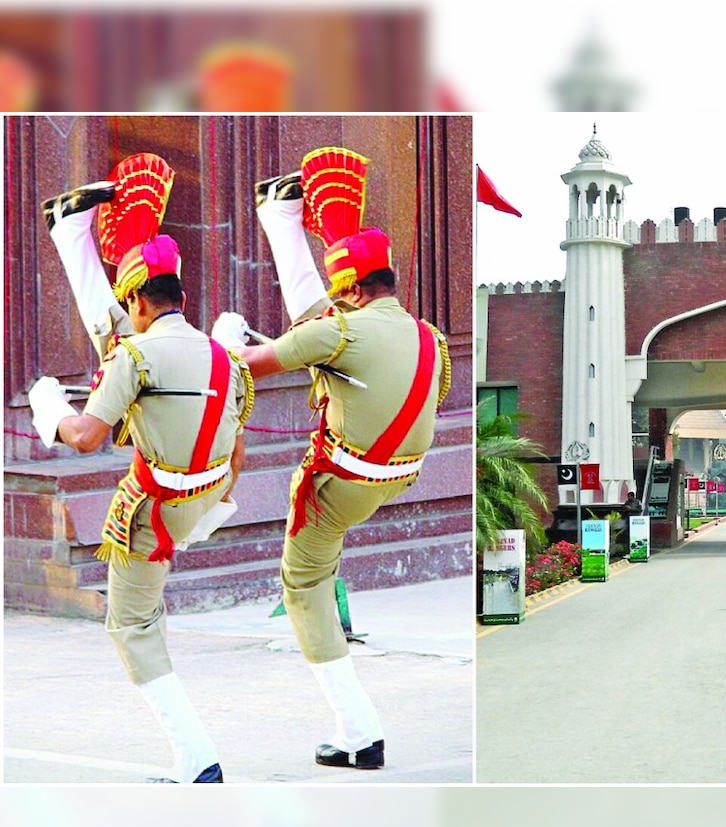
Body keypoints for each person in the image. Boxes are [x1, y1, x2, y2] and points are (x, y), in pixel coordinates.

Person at [213, 147, 450, 770]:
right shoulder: (432, 337)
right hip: (400, 477)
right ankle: (280, 216)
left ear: (347, 288)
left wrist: (224, 340)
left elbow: (241, 367)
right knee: (321, 336)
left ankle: (358, 733)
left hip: (337, 483)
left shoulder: (338, 329)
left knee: (304, 585)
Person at [31, 154, 252, 783]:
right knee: (122, 350)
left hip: (150, 511)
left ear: (140, 302)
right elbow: (237, 453)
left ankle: (196, 757)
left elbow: (85, 438)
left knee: (130, 624)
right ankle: (69, 230)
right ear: (182, 296)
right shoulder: (223, 358)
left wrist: (49, 405)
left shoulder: (133, 354)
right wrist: (206, 502)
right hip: (203, 496)